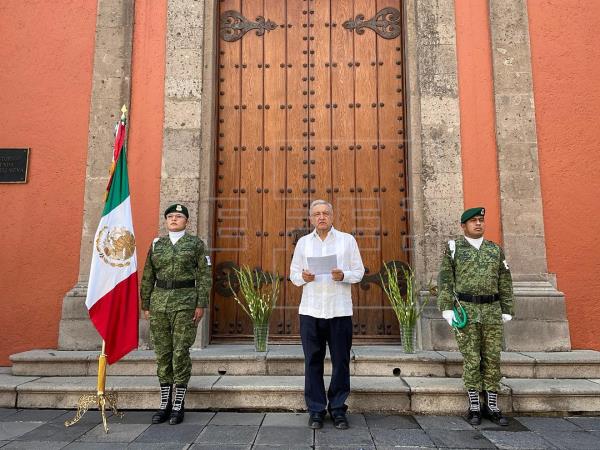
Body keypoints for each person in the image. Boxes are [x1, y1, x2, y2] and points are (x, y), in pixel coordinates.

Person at [290, 199, 365, 430]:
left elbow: (359, 272)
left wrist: (343, 276)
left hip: (339, 311)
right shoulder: (303, 243)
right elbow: (293, 275)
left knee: (341, 362)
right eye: (317, 214)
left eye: (325, 213)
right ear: (311, 218)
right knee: (313, 361)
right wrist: (305, 277)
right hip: (311, 311)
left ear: (332, 216)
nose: (321, 217)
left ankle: (338, 409)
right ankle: (315, 410)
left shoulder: (347, 240)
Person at [437, 207, 514, 426]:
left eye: (481, 220)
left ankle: (491, 405)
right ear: (464, 226)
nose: (478, 224)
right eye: (473, 221)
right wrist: (447, 308)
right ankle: (473, 406)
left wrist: (507, 308)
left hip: (491, 310)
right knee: (471, 358)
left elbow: (505, 280)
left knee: (492, 358)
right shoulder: (454, 248)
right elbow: (445, 279)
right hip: (466, 310)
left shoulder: (494, 250)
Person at [141, 204, 212, 425]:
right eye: (170, 216)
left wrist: (201, 304)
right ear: (165, 221)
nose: (174, 219)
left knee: (180, 352)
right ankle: (165, 404)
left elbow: (204, 276)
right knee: (163, 353)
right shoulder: (156, 245)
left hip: (186, 302)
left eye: (178, 216)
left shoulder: (195, 245)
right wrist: (146, 303)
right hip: (159, 303)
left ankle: (178, 404)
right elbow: (147, 275)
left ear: (186, 221)